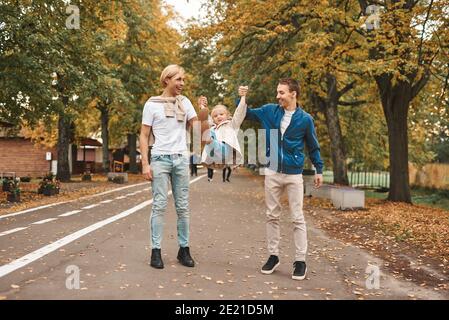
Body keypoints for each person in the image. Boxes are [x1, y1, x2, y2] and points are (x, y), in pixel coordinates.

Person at [242, 78, 324, 280]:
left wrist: (318, 169)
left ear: (293, 94)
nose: (277, 96)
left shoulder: (305, 119)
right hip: (272, 172)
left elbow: (313, 146)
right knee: (272, 215)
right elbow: (246, 113)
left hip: (294, 173)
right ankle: (273, 256)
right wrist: (242, 98)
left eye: (281, 92)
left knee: (297, 217)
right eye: (277, 92)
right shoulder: (270, 111)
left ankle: (300, 260)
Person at [139, 64, 205, 270]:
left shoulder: (184, 102)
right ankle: (155, 251)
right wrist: (145, 163)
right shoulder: (151, 104)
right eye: (178, 79)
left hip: (180, 159)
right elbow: (143, 135)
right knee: (159, 205)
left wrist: (203, 110)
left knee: (183, 207)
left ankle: (183, 250)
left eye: (183, 80)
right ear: (167, 80)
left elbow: (198, 128)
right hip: (159, 159)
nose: (182, 84)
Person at [199, 86, 248, 173]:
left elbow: (239, 113)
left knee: (210, 137)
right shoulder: (213, 127)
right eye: (215, 116)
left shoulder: (231, 124)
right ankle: (213, 155)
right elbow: (206, 119)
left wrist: (243, 97)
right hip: (215, 154)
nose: (218, 117)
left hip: (225, 151)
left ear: (228, 115)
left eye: (221, 114)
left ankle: (210, 142)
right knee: (208, 129)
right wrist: (202, 106)